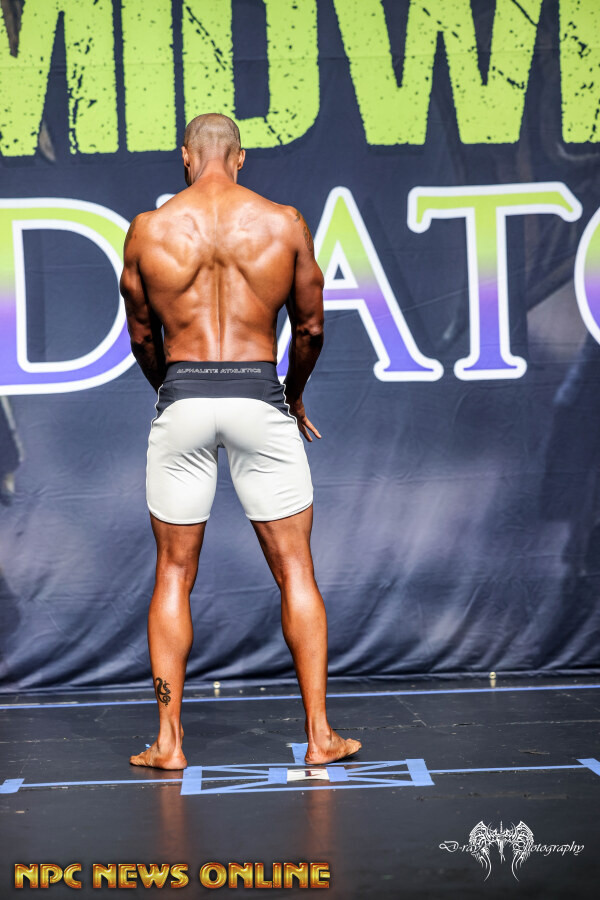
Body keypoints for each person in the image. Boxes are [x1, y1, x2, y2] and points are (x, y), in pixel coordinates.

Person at [120, 113, 361, 770]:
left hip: (184, 398)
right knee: (296, 570)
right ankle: (320, 736)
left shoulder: (149, 230)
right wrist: (293, 392)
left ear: (185, 156)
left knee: (173, 573)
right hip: (259, 397)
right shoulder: (283, 222)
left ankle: (168, 742)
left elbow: (141, 335)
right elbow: (310, 328)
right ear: (241, 156)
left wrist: (170, 390)